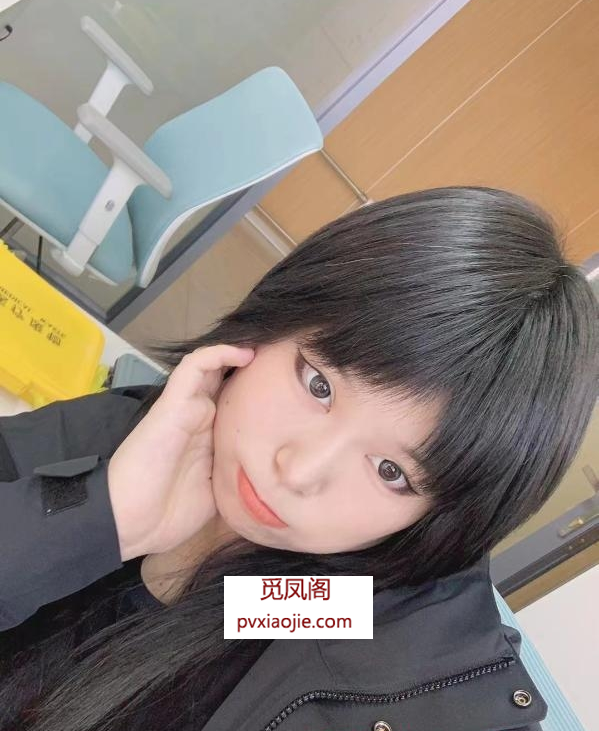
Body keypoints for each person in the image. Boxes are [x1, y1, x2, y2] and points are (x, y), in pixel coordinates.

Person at [0, 187, 596, 731]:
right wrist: (102, 517)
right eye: (318, 384)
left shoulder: (344, 616)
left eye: (391, 472)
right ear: (272, 318)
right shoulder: (149, 430)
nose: (298, 471)